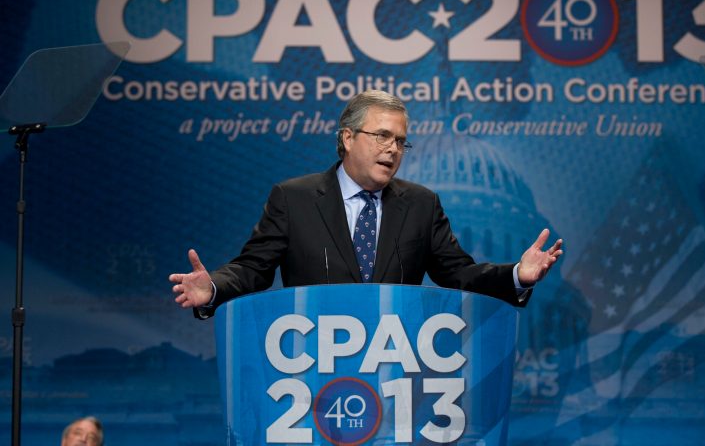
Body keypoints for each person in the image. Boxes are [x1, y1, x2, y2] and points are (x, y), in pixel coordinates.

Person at [170, 90, 563, 317]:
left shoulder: (421, 205)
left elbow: (459, 274)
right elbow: (253, 270)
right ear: (346, 138)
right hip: (311, 366)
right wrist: (214, 288)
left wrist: (516, 275)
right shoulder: (294, 199)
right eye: (381, 136)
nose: (393, 149)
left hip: (395, 368)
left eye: (400, 141)